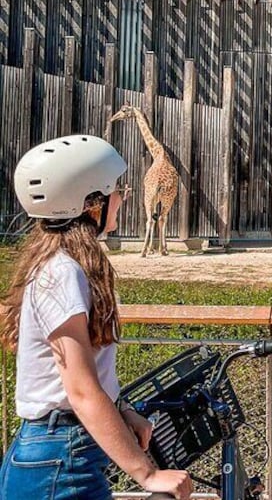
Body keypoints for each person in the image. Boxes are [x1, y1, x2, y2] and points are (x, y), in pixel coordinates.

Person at [0, 135, 193, 500]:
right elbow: (80, 390)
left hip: (61, 451)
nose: (122, 197)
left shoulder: (63, 267)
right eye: (116, 190)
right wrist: (148, 474)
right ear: (91, 204)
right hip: (60, 459)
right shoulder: (62, 274)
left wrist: (121, 410)